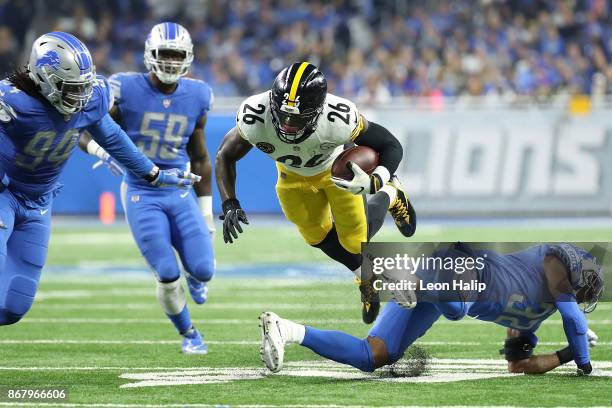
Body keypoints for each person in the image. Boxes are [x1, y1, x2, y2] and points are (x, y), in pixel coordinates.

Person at [0, 31, 199, 326]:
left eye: (83, 87)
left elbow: (114, 138)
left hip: (38, 201)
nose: (80, 97)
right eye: (70, 88)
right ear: (43, 78)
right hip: (5, 193)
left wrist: (152, 174)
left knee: (13, 305)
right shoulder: (14, 103)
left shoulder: (91, 99)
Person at [215, 62, 416, 324]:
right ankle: (367, 275)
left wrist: (378, 179)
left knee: (355, 242)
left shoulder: (338, 117)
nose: (287, 125)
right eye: (282, 115)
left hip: (336, 172)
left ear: (318, 111)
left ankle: (391, 193)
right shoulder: (255, 114)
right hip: (292, 174)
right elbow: (224, 155)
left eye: (296, 118)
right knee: (314, 234)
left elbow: (390, 145)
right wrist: (229, 202)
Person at [260, 243, 603, 376]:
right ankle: (400, 276)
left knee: (373, 356)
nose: (576, 296)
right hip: (462, 264)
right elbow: (573, 318)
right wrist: (585, 365)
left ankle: (286, 329)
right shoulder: (554, 261)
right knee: (457, 306)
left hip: (439, 292)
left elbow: (519, 366)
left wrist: (568, 353)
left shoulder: (532, 319)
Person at [79, 23, 215, 354]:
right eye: (164, 54)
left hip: (180, 190)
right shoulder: (123, 88)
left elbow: (199, 156)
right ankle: (189, 333)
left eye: (176, 55)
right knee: (167, 272)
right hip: (142, 193)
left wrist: (208, 213)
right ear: (149, 55)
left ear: (188, 58)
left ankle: (196, 276)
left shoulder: (197, 94)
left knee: (204, 269)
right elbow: (85, 129)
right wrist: (99, 150)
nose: (170, 62)